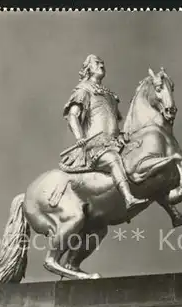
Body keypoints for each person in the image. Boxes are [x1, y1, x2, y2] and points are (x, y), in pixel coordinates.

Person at [60, 54, 147, 211]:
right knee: (113, 159)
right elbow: (73, 115)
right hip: (95, 146)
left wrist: (122, 134)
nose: (101, 65)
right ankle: (129, 198)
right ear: (88, 69)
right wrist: (80, 137)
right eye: (97, 63)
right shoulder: (84, 90)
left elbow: (113, 122)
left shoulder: (109, 94)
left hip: (114, 142)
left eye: (102, 63)